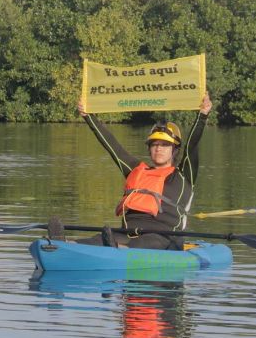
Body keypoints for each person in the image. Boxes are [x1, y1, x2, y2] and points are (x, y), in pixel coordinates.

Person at [74, 92, 213, 249]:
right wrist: (88, 116)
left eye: (165, 145)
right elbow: (112, 146)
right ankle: (63, 244)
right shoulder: (136, 170)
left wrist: (202, 116)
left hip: (164, 239)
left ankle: (115, 251)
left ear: (175, 150)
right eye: (154, 144)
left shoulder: (182, 175)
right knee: (99, 239)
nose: (158, 149)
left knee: (143, 243)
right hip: (125, 234)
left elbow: (191, 145)